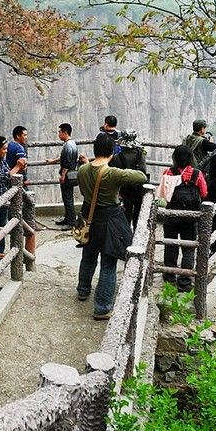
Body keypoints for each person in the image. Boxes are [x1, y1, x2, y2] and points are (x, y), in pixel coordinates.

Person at [77, 133, 147, 320]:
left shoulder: (82, 170)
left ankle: (83, 290)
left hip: (88, 217)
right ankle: (102, 307)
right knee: (108, 262)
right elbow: (140, 177)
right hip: (109, 219)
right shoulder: (113, 173)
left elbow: (84, 191)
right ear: (111, 152)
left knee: (88, 256)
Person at [156, 145, 208, 291]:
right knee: (188, 249)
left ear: (175, 158)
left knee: (170, 245)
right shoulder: (197, 174)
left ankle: (169, 277)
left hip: (171, 216)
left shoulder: (169, 172)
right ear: (191, 158)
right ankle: (184, 282)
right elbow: (204, 193)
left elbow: (163, 193)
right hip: (190, 218)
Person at [0, 136, 27, 269]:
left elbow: (9, 175)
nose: (6, 151)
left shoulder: (2, 161)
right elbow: (3, 177)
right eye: (4, 149)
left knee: (2, 229)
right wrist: (17, 166)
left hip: (4, 201)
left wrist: (20, 168)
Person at [109, 134, 148, 230]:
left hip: (124, 188)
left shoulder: (117, 156)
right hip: (138, 187)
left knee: (126, 211)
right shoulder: (140, 155)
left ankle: (126, 234)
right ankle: (137, 231)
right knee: (138, 212)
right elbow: (143, 170)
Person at [45, 123, 78, 228]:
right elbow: (63, 158)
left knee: (67, 198)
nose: (58, 134)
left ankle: (71, 222)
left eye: (59, 132)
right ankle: (68, 218)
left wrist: (63, 176)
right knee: (68, 197)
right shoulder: (72, 143)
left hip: (67, 175)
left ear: (64, 132)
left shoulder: (68, 145)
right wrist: (53, 161)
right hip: (72, 174)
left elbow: (67, 163)